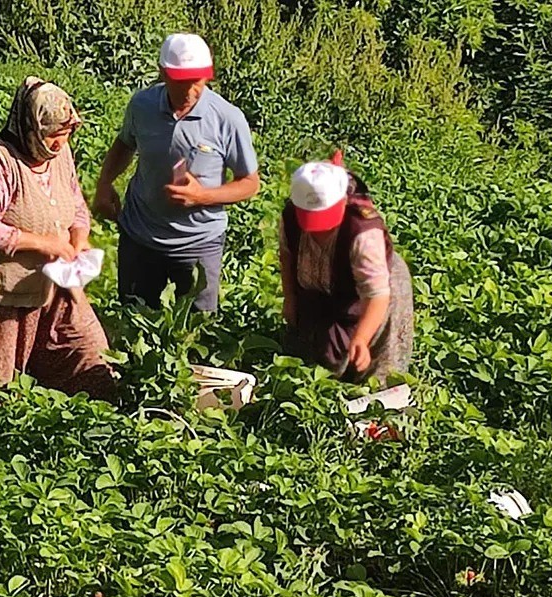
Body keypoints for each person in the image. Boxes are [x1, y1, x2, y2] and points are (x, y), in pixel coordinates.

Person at [0, 76, 118, 401]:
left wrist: (79, 237)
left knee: (93, 360)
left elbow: (75, 201)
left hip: (55, 286)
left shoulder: (61, 154)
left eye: (65, 136)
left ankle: (92, 426)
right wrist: (44, 244)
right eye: (53, 136)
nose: (58, 145)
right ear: (32, 128)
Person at [93, 33, 260, 311]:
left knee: (195, 329)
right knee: (132, 319)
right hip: (140, 235)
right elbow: (124, 143)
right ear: (162, 73)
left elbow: (249, 183)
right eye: (179, 82)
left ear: (208, 77)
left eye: (195, 82)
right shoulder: (142, 105)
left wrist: (202, 196)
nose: (188, 91)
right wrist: (104, 183)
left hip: (198, 243)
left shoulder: (227, 118)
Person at [279, 152, 414, 382]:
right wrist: (290, 298)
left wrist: (361, 338)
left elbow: (377, 295)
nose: (318, 230)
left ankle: (374, 404)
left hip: (374, 285)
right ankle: (319, 389)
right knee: (315, 345)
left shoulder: (363, 231)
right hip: (320, 282)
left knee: (376, 361)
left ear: (342, 202)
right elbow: (287, 256)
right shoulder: (291, 216)